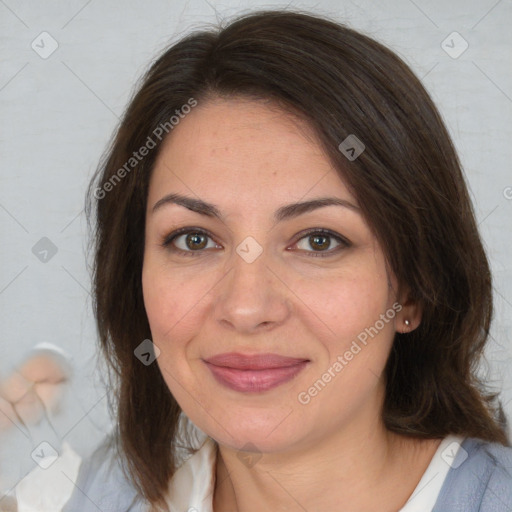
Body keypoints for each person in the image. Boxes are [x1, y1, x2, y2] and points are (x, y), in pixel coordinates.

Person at [61, 9, 512, 512]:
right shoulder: (102, 492)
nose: (246, 308)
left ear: (411, 288)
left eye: (319, 241)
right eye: (194, 240)